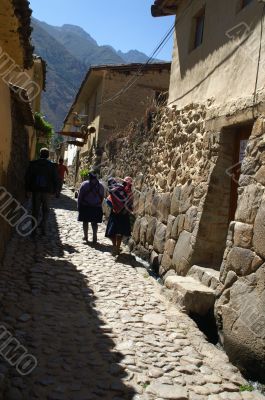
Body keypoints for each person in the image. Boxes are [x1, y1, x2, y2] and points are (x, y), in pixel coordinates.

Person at [25, 148, 59, 236]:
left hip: (36, 191)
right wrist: (55, 191)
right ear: (48, 155)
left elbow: (28, 177)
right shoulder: (52, 166)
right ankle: (43, 227)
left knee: (35, 211)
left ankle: (33, 231)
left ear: (40, 154)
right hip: (47, 192)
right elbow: (56, 179)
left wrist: (28, 189)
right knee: (46, 211)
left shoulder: (33, 164)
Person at [105, 177, 133, 256]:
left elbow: (108, 200)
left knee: (113, 231)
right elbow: (130, 204)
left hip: (115, 214)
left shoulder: (116, 189)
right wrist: (125, 209)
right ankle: (117, 247)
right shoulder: (129, 192)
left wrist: (115, 207)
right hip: (124, 215)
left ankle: (115, 247)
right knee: (120, 232)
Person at [77, 172, 104, 244]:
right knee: (94, 223)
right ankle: (94, 236)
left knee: (85, 222)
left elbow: (80, 197)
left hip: (85, 206)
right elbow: (102, 197)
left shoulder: (84, 184)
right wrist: (99, 205)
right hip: (96, 207)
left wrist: (79, 206)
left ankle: (86, 236)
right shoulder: (101, 186)